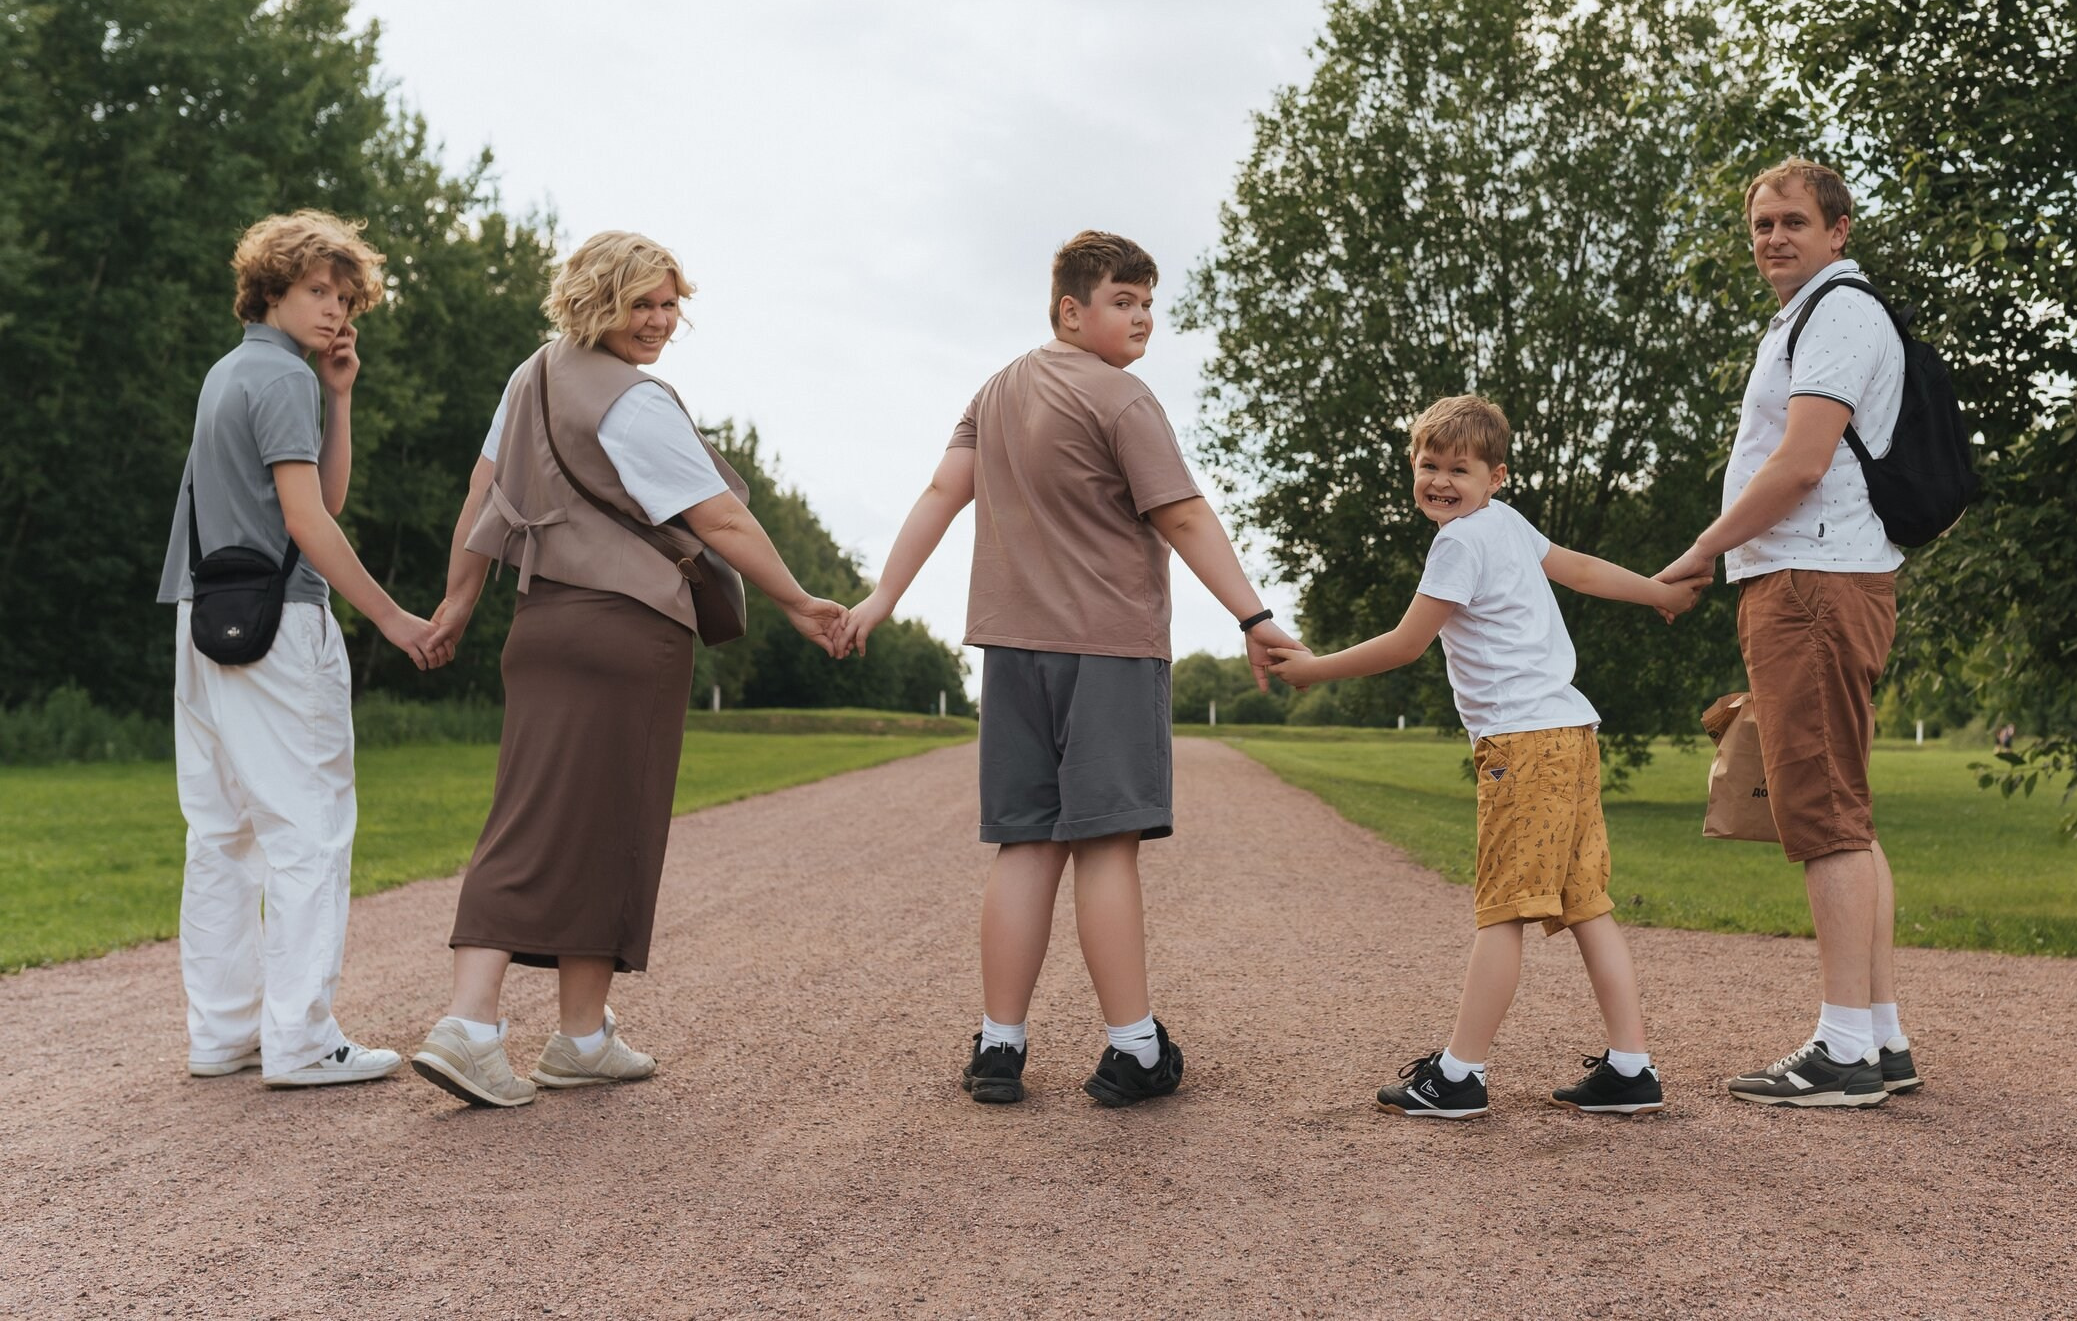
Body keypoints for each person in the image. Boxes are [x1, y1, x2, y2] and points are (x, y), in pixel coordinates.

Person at [841, 230, 1302, 1109]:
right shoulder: (1124, 399)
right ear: (1071, 309)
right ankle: (1132, 1049)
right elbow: (1186, 517)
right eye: (1123, 302)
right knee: (1103, 846)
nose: (1142, 319)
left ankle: (998, 1047)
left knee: (1025, 842)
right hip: (1109, 648)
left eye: (1147, 303)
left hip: (1012, 652)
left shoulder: (995, 391)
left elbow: (943, 493)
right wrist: (1253, 613)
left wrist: (879, 600)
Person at [408, 232, 849, 1108]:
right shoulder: (635, 403)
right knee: (558, 826)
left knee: (585, 821)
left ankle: (581, 1037)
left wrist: (459, 603)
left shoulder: (528, 378)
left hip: (540, 623)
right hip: (626, 630)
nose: (658, 322)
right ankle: (469, 1024)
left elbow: (480, 492)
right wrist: (801, 602)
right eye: (640, 303)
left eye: (669, 303)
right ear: (594, 299)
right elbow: (719, 521)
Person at [1266, 395, 1698, 1119]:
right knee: (1586, 905)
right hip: (1571, 734)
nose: (1440, 481)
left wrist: (1315, 669)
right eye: (1428, 465)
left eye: (1458, 469)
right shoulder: (1505, 525)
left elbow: (1407, 644)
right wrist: (1655, 591)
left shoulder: (1461, 541)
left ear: (1495, 476)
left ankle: (1460, 1076)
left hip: (1523, 747)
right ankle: (1632, 1068)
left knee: (1503, 911)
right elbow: (1583, 570)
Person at [160, 210, 452, 1089]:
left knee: (220, 833)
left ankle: (222, 1034)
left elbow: (319, 492)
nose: (335, 310)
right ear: (272, 288)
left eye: (344, 295)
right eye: (317, 291)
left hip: (200, 618)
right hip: (279, 625)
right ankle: (301, 1040)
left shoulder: (233, 373)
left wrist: (340, 396)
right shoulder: (277, 378)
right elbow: (308, 521)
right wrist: (396, 619)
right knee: (310, 831)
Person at [1655, 157, 1920, 1108]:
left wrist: (1698, 553)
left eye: (1794, 221)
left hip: (1811, 580)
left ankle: (1844, 1046)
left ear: (1839, 229)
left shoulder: (1840, 313)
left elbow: (1802, 462)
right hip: (1815, 579)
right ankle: (1880, 1037)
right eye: (1762, 223)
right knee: (1842, 804)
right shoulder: (1811, 315)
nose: (1774, 237)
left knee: (1820, 813)